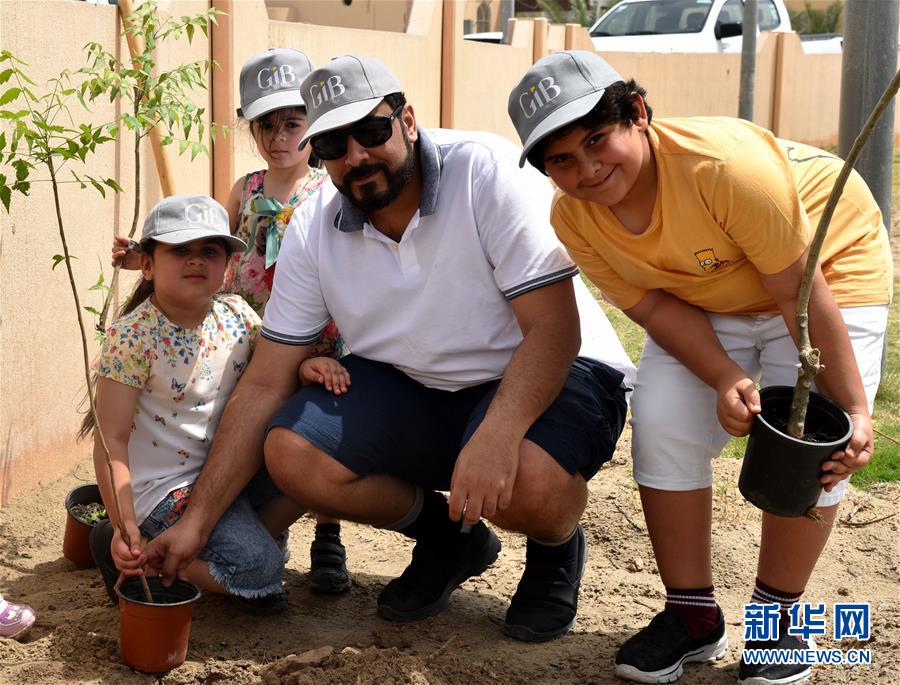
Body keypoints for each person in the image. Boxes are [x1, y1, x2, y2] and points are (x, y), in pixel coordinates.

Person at [142, 54, 634, 643]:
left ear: (408, 120)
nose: (356, 156)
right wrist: (196, 523)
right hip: (416, 380)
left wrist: (497, 434)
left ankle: (555, 548)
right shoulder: (314, 225)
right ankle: (448, 539)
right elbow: (267, 380)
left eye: (372, 132)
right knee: (294, 451)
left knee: (523, 480)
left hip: (543, 365)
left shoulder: (484, 170)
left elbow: (554, 330)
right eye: (332, 143)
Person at [507, 51, 892, 683]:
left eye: (598, 139)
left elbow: (798, 286)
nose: (588, 169)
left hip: (825, 270)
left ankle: (780, 622)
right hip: (706, 290)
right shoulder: (572, 218)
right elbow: (654, 307)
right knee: (660, 421)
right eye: (562, 160)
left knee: (813, 442)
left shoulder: (721, 167)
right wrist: (722, 376)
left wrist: (852, 407)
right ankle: (691, 616)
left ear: (638, 113)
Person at [112, 48, 352, 595]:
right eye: (265, 125)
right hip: (244, 346)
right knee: (242, 438)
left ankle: (327, 538)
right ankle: (249, 537)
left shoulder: (330, 193)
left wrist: (317, 354)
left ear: (312, 125)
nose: (278, 137)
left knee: (306, 438)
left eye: (292, 123)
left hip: (312, 347)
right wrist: (147, 262)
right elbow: (215, 262)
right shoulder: (244, 191)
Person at [86, 194, 348, 613]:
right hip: (167, 489)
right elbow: (110, 440)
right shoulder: (133, 335)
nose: (196, 260)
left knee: (311, 472)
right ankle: (148, 557)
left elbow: (276, 367)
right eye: (180, 250)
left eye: (209, 251)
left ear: (227, 269)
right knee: (263, 571)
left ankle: (229, 552)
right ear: (148, 265)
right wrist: (123, 525)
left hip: (227, 471)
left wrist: (308, 368)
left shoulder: (238, 316)